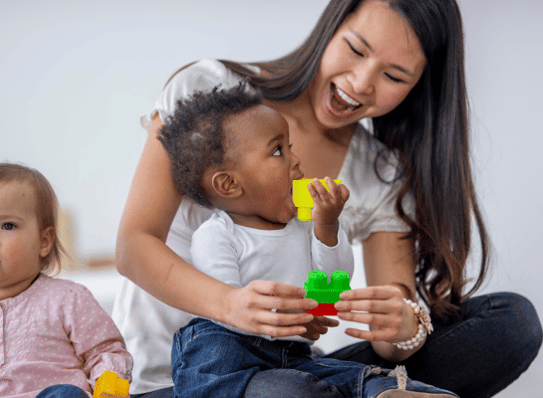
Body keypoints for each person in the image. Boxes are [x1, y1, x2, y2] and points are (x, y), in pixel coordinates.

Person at [113, 0, 543, 397]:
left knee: (512, 323)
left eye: (394, 76)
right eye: (356, 49)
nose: (361, 83)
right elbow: (134, 246)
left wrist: (403, 325)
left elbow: (372, 322)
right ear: (332, 28)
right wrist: (230, 305)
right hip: (179, 379)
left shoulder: (380, 173)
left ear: (417, 87)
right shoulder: (211, 94)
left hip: (295, 368)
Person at [160, 84, 461, 398]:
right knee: (288, 388)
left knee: (338, 376)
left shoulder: (304, 225)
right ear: (229, 184)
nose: (296, 161)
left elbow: (333, 281)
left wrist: (327, 226)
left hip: (292, 354)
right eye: (278, 151)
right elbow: (230, 309)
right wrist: (291, 320)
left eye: (290, 147)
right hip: (225, 354)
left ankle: (384, 391)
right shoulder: (216, 235)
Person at [0, 163, 133, 398]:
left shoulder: (67, 298)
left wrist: (109, 391)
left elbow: (105, 353)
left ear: (44, 241)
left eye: (7, 225)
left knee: (66, 394)